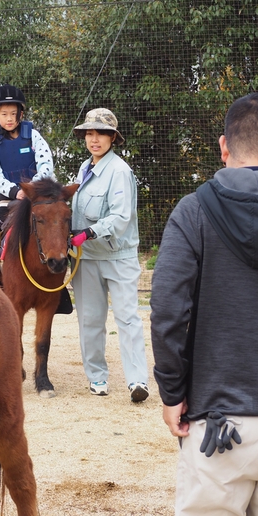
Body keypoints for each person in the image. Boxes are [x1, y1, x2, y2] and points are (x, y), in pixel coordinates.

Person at [151, 93, 258, 516]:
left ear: (224, 147)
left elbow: (168, 310)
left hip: (218, 428)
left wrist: (171, 392)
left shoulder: (192, 212)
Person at [69, 108, 149, 402]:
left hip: (119, 257)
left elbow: (120, 218)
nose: (94, 139)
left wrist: (86, 233)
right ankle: (97, 378)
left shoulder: (120, 171)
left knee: (128, 318)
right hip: (86, 258)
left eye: (101, 133)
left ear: (113, 137)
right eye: (89, 133)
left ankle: (138, 382)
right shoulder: (83, 168)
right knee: (90, 319)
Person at [0, 84, 55, 277]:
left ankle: (59, 277)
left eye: (14, 113)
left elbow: (45, 163)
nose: (10, 118)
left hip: (38, 196)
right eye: (4, 114)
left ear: (21, 114)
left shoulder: (33, 136)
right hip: (9, 198)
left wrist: (32, 189)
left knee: (59, 221)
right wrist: (15, 191)